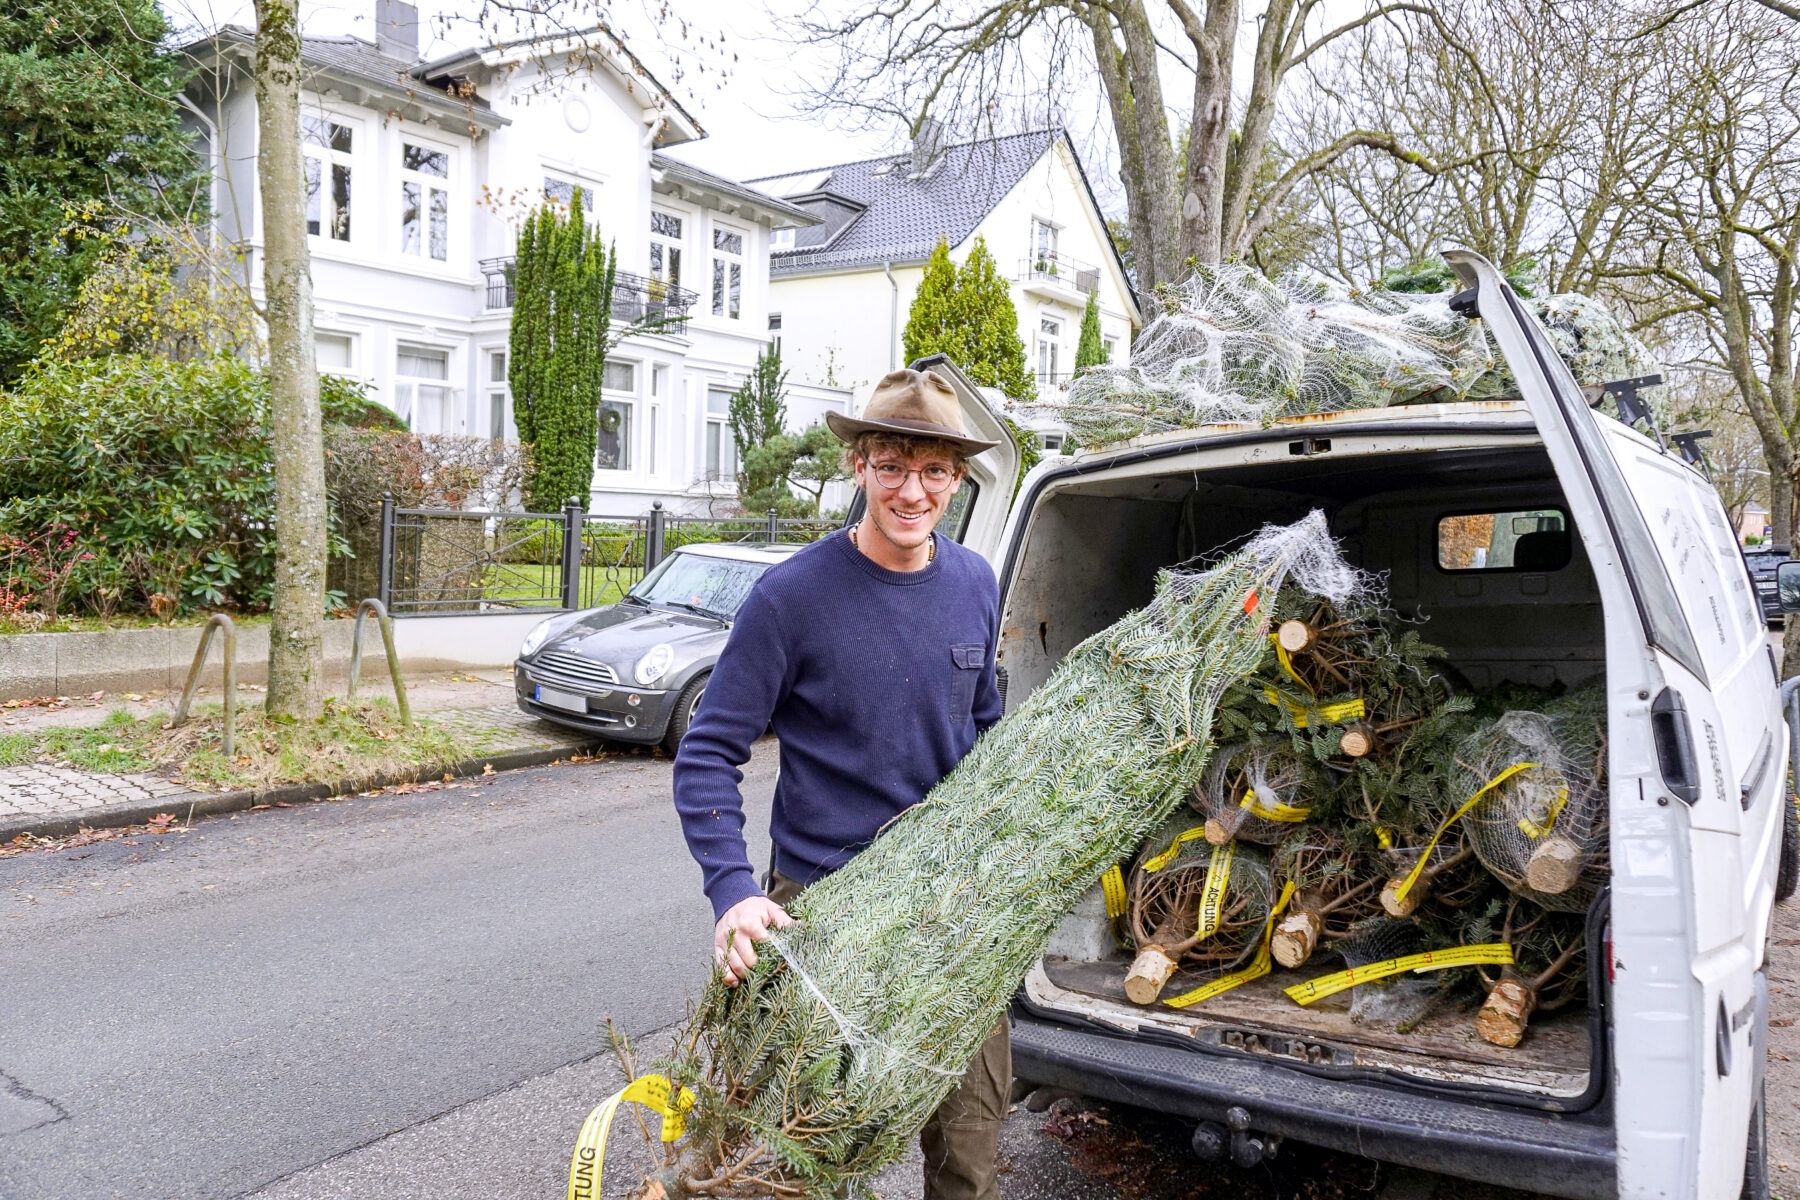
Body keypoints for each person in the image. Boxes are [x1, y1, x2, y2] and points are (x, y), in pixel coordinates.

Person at [672, 367, 1009, 1200]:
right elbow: (708, 750)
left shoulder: (975, 583)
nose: (911, 489)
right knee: (798, 1155)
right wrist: (732, 891)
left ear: (957, 480)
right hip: (824, 909)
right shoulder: (790, 599)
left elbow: (989, 728)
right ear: (859, 466)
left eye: (933, 470)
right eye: (891, 464)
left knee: (969, 1146)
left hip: (949, 913)